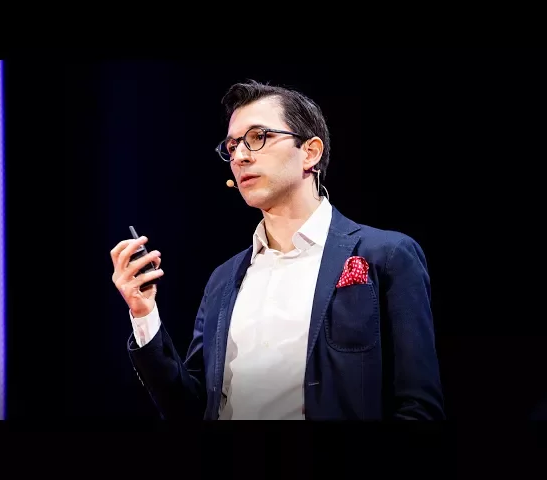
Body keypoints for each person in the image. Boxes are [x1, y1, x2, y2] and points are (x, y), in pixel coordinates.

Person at [109, 80, 445, 420]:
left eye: (258, 137)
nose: (240, 156)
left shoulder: (386, 255)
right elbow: (192, 410)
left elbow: (418, 406)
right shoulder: (223, 280)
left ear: (310, 152)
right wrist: (144, 314)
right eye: (232, 146)